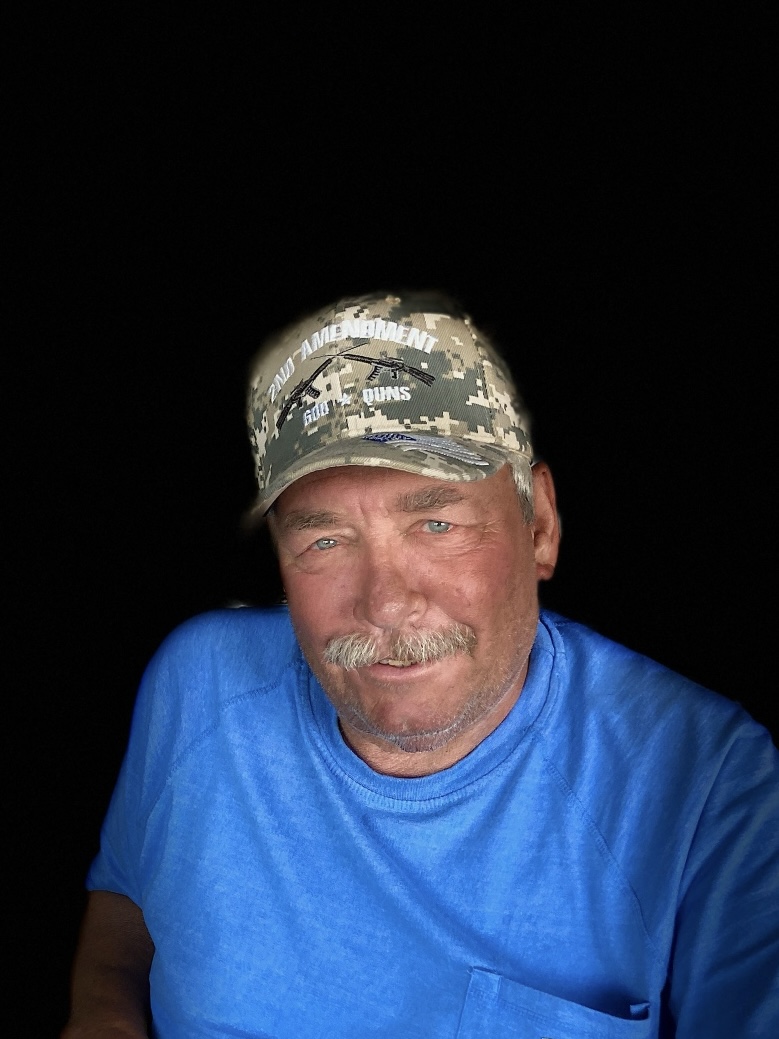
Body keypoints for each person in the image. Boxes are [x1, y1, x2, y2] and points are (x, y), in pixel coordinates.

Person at [62, 291, 779, 1038]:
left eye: (436, 523)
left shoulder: (706, 782)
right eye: (325, 540)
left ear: (539, 524)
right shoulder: (199, 682)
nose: (385, 604)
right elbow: (128, 896)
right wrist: (103, 1017)